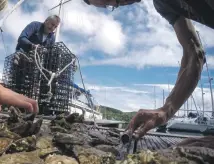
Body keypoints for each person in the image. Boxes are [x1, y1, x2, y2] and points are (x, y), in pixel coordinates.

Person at [83, 0, 214, 138]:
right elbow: (194, 52)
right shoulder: (164, 4)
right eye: (113, 5)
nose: (119, 3)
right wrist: (166, 111)